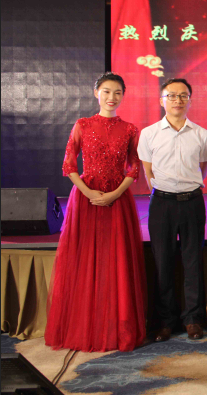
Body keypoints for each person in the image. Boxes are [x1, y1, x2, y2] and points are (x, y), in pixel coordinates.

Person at [45, 72, 146, 352]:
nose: (112, 97)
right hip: (86, 199)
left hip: (118, 199)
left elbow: (134, 168)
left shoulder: (130, 129)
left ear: (123, 96)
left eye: (117, 93)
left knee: (117, 259)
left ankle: (116, 329)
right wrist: (89, 193)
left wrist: (114, 194)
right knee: (86, 258)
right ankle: (84, 327)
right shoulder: (83, 124)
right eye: (106, 91)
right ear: (96, 93)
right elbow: (69, 165)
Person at [138, 78, 207, 342]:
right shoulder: (149, 134)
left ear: (190, 100)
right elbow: (148, 171)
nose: (177, 100)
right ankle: (165, 321)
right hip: (162, 204)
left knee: (193, 261)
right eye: (171, 95)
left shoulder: (201, 134)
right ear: (162, 101)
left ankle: (193, 319)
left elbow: (202, 169)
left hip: (192, 202)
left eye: (183, 96)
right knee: (163, 261)